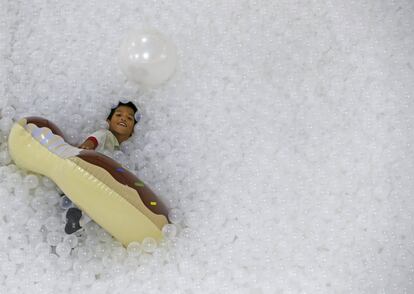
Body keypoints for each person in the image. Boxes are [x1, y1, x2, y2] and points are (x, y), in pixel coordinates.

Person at [64, 100, 140, 234]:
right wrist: (88, 145)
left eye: (129, 118)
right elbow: (95, 138)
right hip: (88, 173)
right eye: (118, 115)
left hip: (97, 186)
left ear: (133, 131)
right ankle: (76, 219)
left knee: (95, 204)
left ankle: (76, 221)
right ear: (108, 121)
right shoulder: (106, 134)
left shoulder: (122, 152)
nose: (124, 118)